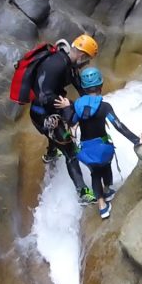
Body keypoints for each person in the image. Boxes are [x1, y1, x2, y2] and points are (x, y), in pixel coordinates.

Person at [54, 67, 142, 219]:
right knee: (106, 167)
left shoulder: (78, 106)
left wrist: (67, 107)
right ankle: (107, 190)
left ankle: (101, 205)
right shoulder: (105, 107)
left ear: (83, 88)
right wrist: (137, 140)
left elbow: (71, 121)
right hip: (104, 149)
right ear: (101, 86)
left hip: (86, 151)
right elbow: (118, 126)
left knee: (95, 173)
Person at [30, 33, 99, 205]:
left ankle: (51, 153)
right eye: (87, 60)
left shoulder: (67, 62)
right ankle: (82, 192)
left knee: (59, 130)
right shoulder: (57, 65)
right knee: (70, 150)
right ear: (82, 55)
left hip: (49, 110)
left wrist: (91, 106)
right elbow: (44, 96)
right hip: (42, 114)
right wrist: (71, 105)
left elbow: (80, 88)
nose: (86, 64)